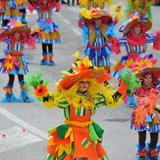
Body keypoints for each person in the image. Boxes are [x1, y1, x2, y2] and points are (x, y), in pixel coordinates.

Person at [24, 53, 140, 160]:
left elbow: (111, 100)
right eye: (81, 82)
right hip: (71, 134)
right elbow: (52, 100)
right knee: (63, 155)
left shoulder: (93, 98)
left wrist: (124, 85)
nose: (84, 85)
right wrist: (39, 88)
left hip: (87, 133)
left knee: (91, 155)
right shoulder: (68, 99)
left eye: (87, 82)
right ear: (75, 84)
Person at [112, 12, 160, 107]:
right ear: (132, 28)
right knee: (130, 80)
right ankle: (130, 99)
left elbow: (156, 38)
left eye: (139, 27)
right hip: (130, 61)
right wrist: (110, 37)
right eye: (135, 27)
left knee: (145, 79)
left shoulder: (146, 37)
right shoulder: (126, 38)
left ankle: (144, 96)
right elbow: (116, 42)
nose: (137, 29)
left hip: (143, 61)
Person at [128, 54, 160, 160]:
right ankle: (142, 154)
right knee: (142, 133)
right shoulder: (137, 87)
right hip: (141, 112)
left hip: (153, 111)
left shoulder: (156, 86)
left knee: (154, 132)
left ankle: (153, 152)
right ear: (142, 78)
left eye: (150, 77)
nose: (148, 80)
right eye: (146, 78)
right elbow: (127, 89)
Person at [78, 6, 124, 74]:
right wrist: (81, 15)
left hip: (103, 49)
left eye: (100, 19)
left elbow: (113, 23)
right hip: (92, 50)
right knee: (92, 67)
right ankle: (94, 81)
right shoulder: (89, 26)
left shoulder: (105, 26)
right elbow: (80, 25)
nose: (99, 21)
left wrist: (117, 12)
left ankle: (105, 81)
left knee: (106, 66)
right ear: (94, 20)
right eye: (97, 19)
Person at [0, 19, 36, 102]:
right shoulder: (9, 41)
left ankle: (24, 96)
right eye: (15, 33)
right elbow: (2, 36)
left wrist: (35, 32)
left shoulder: (22, 42)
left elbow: (30, 36)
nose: (17, 34)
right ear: (13, 34)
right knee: (11, 78)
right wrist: (4, 30)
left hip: (20, 61)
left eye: (18, 33)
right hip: (11, 61)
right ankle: (9, 96)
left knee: (21, 78)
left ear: (20, 34)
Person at [28, 0, 61, 66]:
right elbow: (31, 2)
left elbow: (56, 1)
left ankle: (51, 60)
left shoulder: (51, 7)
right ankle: (45, 59)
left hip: (49, 27)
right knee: (43, 43)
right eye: (43, 0)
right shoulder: (38, 8)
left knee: (49, 43)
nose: (44, 1)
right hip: (41, 27)